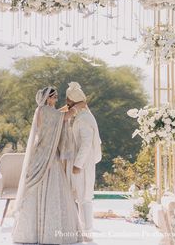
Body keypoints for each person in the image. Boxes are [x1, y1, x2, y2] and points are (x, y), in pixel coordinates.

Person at [12, 86, 84, 244]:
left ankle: (31, 233)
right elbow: (64, 117)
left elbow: (55, 118)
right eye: (54, 97)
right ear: (47, 98)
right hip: (49, 157)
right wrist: (78, 106)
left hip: (40, 154)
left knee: (35, 191)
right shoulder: (47, 111)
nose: (56, 99)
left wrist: (63, 110)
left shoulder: (41, 111)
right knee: (54, 187)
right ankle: (51, 232)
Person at [65, 82, 102, 240]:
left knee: (85, 198)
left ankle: (87, 233)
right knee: (80, 197)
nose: (66, 104)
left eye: (68, 101)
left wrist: (77, 165)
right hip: (81, 164)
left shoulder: (84, 118)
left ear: (74, 101)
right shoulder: (81, 115)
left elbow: (86, 144)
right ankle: (82, 230)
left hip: (83, 165)